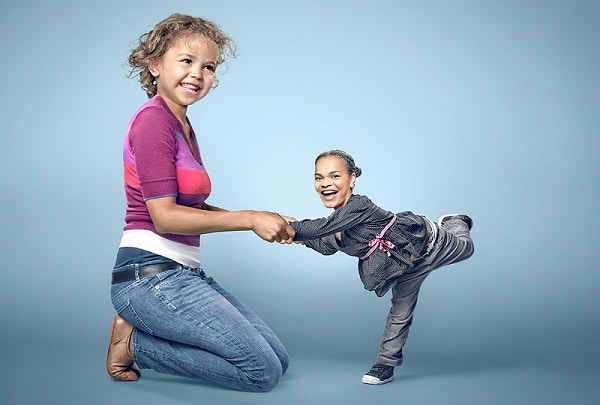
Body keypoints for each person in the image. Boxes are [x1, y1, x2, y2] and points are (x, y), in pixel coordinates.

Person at [106, 13, 294, 392]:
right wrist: (249, 219)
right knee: (262, 373)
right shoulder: (153, 122)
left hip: (181, 272)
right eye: (186, 61)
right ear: (155, 64)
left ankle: (138, 338)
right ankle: (134, 346)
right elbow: (165, 217)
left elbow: (191, 208)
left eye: (208, 66)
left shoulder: (181, 125)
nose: (198, 73)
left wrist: (263, 219)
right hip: (149, 277)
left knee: (279, 359)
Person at [288, 150, 474, 385]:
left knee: (467, 248)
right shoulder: (335, 229)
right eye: (319, 177)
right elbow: (324, 244)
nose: (325, 183)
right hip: (405, 269)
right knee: (400, 312)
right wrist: (291, 235)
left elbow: (318, 228)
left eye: (335, 176)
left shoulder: (360, 205)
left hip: (431, 244)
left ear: (352, 179)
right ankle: (385, 365)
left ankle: (455, 221)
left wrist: (288, 227)